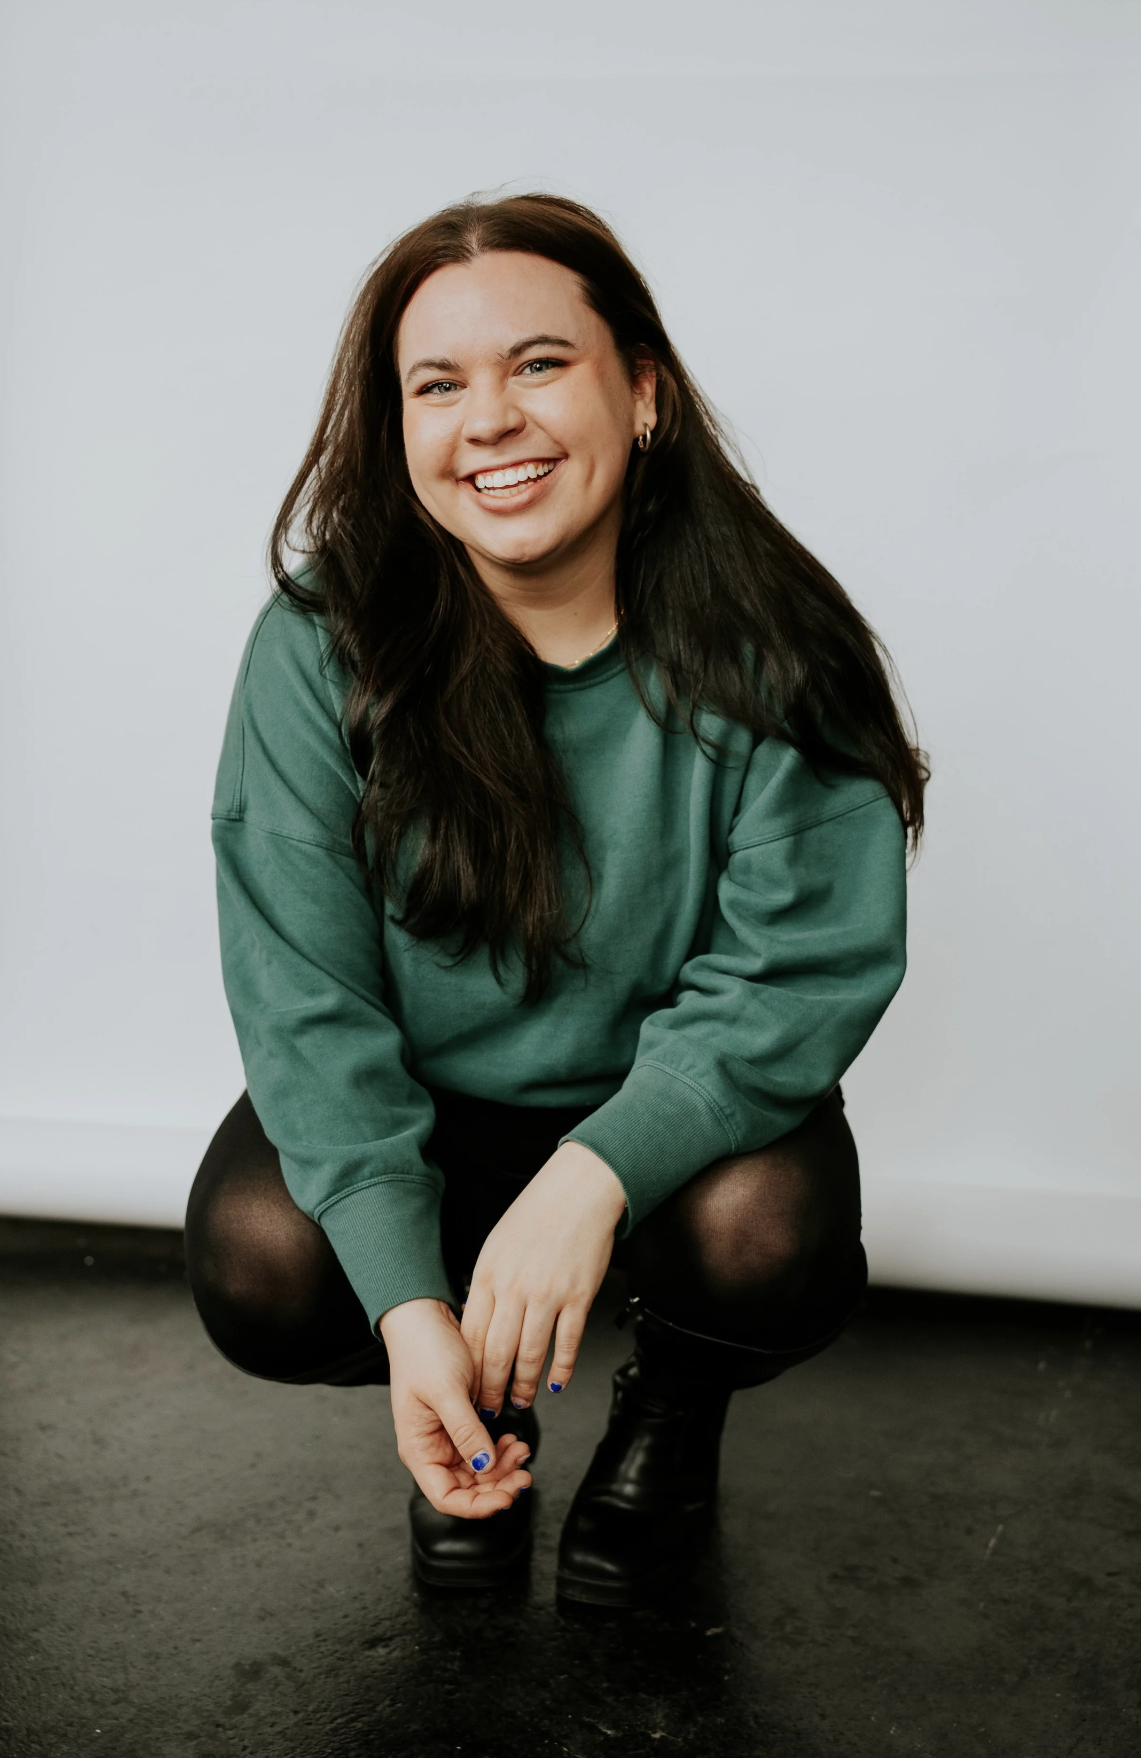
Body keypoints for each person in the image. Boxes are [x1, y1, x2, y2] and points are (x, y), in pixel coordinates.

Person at [184, 193, 926, 1607]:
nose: (490, 420)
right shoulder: (316, 643)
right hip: (430, 1103)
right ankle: (481, 1403)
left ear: (638, 391)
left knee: (763, 1237)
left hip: (675, 1113)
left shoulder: (779, 639)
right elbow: (304, 997)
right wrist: (415, 1315)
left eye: (539, 363)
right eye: (438, 383)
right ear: (397, 432)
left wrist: (588, 1177)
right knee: (266, 1257)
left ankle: (674, 1407)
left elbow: (802, 967)